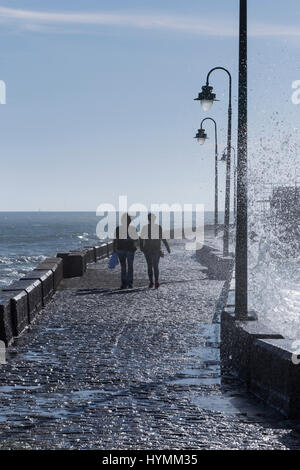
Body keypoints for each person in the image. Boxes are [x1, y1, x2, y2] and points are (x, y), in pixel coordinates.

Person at [140, 213, 171, 289]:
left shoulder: (145, 227)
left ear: (148, 219)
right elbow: (163, 238)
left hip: (148, 250)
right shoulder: (158, 227)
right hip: (156, 249)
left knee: (150, 266)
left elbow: (141, 239)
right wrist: (167, 247)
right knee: (155, 266)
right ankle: (156, 281)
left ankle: (151, 282)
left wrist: (142, 248)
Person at [113, 213, 138, 289]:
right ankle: (130, 283)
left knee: (123, 267)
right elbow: (136, 239)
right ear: (130, 221)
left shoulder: (118, 228)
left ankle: (124, 283)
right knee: (130, 267)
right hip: (130, 249)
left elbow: (115, 240)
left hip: (121, 249)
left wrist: (114, 249)